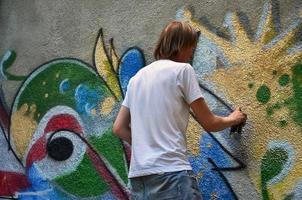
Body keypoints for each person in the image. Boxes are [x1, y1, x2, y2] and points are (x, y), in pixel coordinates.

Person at [113, 21, 247, 200]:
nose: (191, 53)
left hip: (139, 178)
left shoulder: (136, 80)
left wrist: (146, 146)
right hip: (171, 173)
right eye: (191, 48)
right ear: (181, 46)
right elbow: (209, 122)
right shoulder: (182, 71)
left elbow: (119, 128)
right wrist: (233, 118)